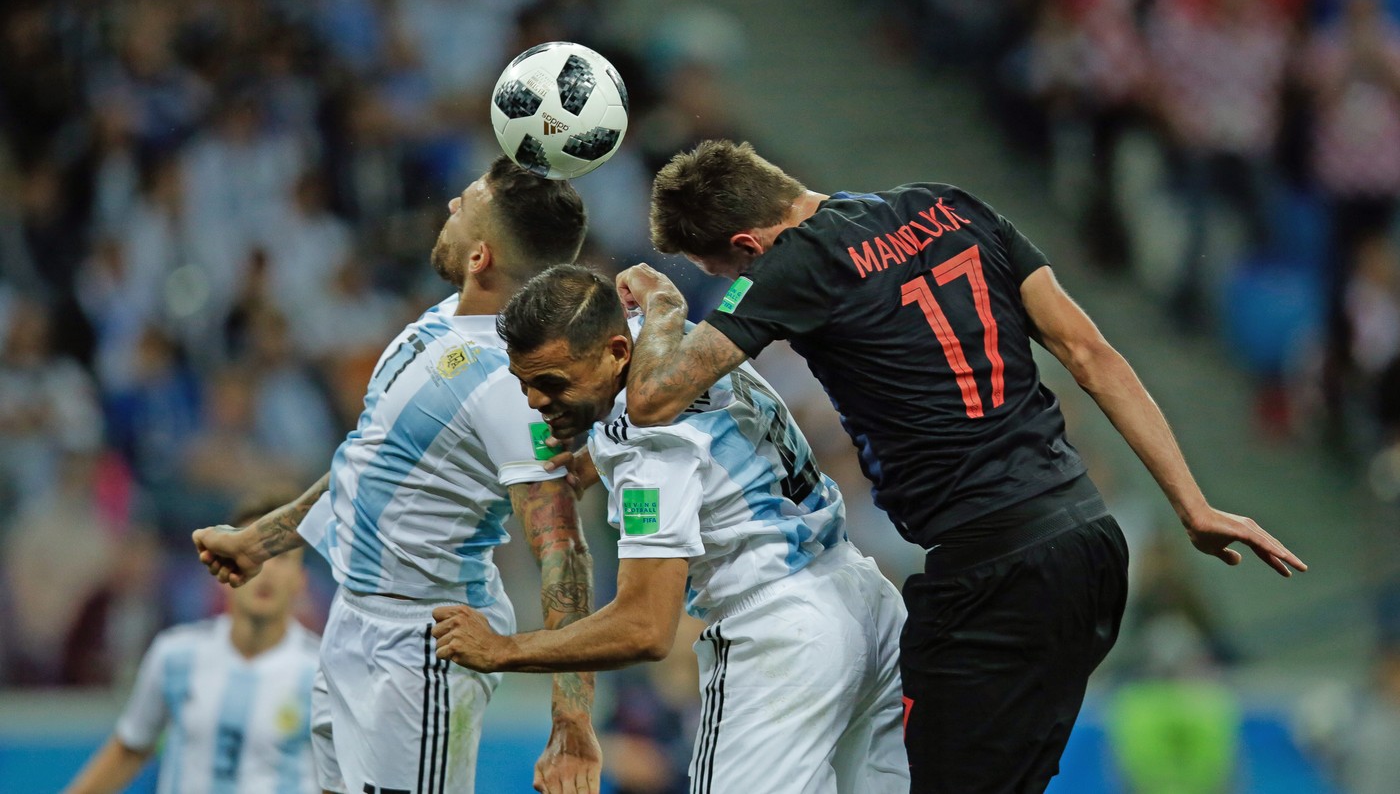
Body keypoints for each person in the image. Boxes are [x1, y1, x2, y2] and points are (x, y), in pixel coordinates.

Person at [615, 139, 1308, 792]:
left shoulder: (794, 263)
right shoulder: (950, 205)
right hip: (1089, 548)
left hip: (993, 574)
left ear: (747, 244)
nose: (741, 281)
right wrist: (1193, 504)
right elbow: (1089, 352)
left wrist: (666, 306)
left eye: (730, 271)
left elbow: (652, 398)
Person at [191, 157, 601, 794]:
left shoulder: (512, 385)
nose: (448, 210)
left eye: (463, 205)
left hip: (423, 648)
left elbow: (563, 552)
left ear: (480, 257)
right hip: (353, 623)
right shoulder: (437, 324)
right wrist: (259, 543)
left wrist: (571, 721)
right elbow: (366, 465)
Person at [431, 264, 908, 794]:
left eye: (551, 384)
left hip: (780, 637)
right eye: (524, 383)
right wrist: (599, 455)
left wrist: (503, 650)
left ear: (615, 353)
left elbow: (645, 627)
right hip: (863, 601)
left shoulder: (645, 442)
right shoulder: (677, 340)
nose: (535, 402)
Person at [62, 490, 325, 794]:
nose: (265, 572)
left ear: (301, 580)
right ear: (222, 567)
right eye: (255, 555)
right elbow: (129, 749)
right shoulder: (175, 656)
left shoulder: (322, 675)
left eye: (281, 558)